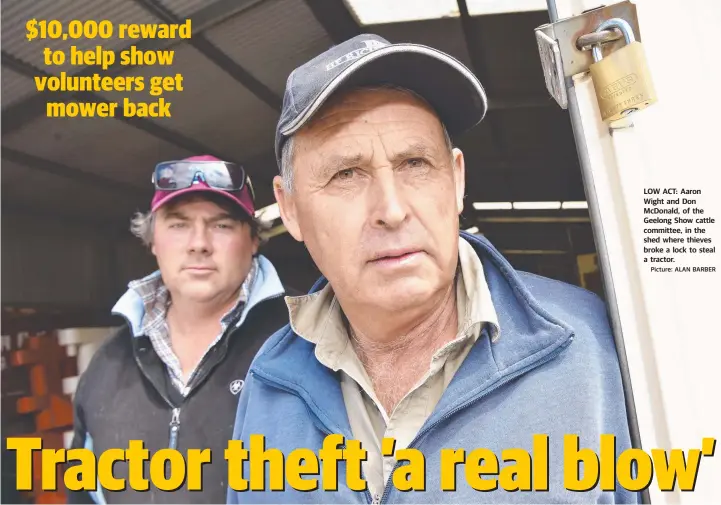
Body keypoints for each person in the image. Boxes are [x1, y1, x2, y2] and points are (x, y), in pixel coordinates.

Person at [227, 35, 638, 504]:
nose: (393, 209)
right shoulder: (271, 379)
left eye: (415, 163)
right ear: (291, 209)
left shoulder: (592, 345)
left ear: (457, 179)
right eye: (346, 174)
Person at [67, 155, 289, 503]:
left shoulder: (305, 347)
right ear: (153, 240)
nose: (198, 243)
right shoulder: (107, 367)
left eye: (222, 225)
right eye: (178, 224)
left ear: (253, 239)